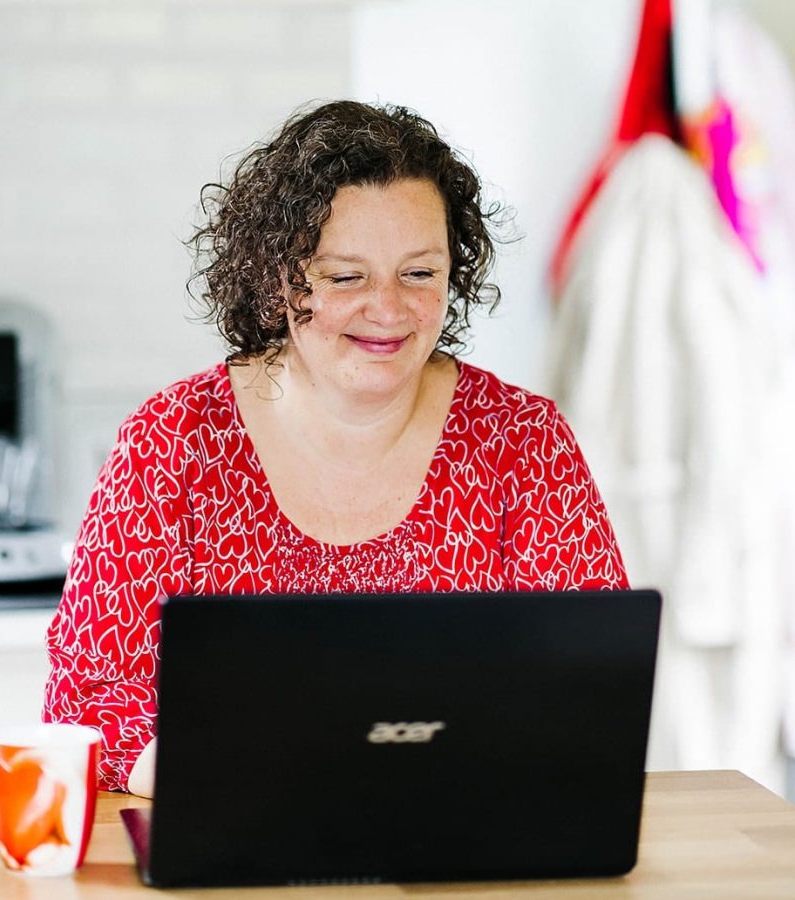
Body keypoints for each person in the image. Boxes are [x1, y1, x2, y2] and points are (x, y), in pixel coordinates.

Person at [43, 100, 628, 797]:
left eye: (418, 273)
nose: (387, 309)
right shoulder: (173, 440)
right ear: (278, 279)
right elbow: (87, 701)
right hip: (235, 842)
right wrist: (252, 781)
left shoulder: (523, 443)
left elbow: (593, 687)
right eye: (346, 276)